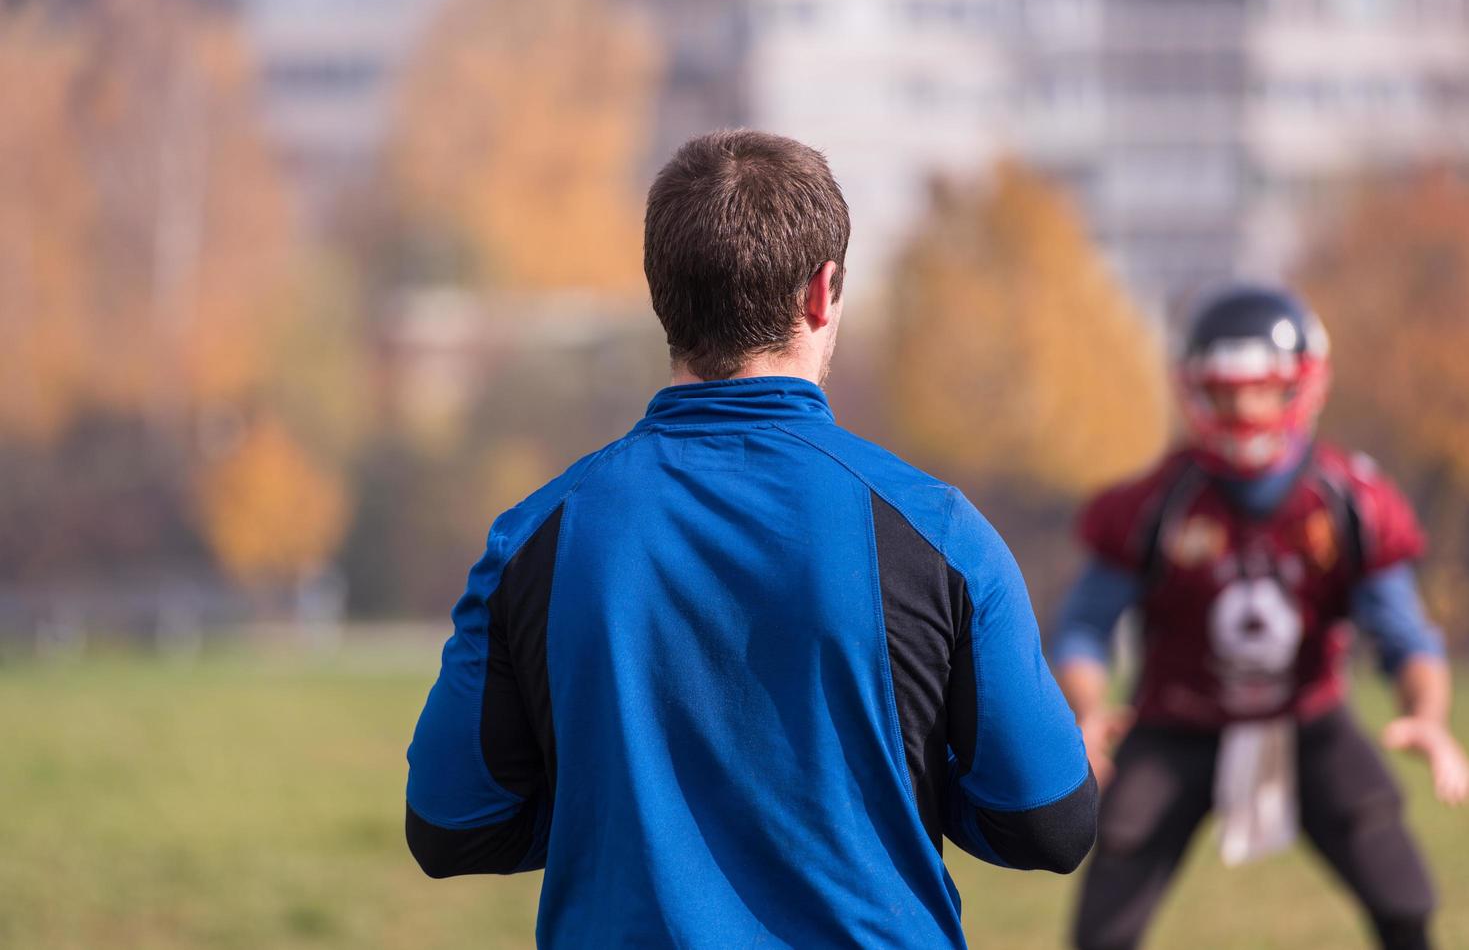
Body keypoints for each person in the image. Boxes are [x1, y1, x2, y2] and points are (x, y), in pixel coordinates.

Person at [404, 130, 1097, 948]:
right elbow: (1049, 826)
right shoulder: (939, 535)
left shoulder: (536, 538)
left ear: (661, 293)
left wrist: (618, 799)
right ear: (822, 292)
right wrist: (902, 782)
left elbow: (450, 826)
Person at [1050, 283, 1469, 950]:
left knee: (1405, 899)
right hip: (1176, 721)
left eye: (1262, 388)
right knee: (1103, 922)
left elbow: (1404, 635)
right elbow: (1082, 631)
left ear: (1300, 386)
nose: (1243, 407)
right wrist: (1084, 709)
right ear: (1195, 390)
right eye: (1224, 390)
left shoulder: (1346, 499)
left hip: (1308, 718)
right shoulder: (1158, 502)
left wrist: (1425, 712)